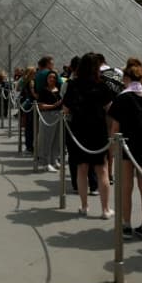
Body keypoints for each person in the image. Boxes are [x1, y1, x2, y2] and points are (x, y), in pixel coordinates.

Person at [63, 52, 114, 219]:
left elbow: (66, 109)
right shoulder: (102, 85)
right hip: (98, 130)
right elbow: (109, 109)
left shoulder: (73, 84)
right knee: (102, 170)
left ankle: (84, 206)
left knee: (82, 169)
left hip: (79, 130)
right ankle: (105, 209)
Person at [109, 57, 142, 241]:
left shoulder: (122, 98)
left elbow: (115, 128)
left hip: (125, 147)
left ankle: (126, 225)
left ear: (127, 78)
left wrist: (112, 149)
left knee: (126, 187)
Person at [62, 56, 98, 195]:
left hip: (74, 124)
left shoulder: (70, 84)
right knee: (92, 155)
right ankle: (94, 185)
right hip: (94, 125)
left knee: (74, 156)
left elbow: (65, 107)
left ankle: (77, 185)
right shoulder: (99, 84)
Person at [37, 71, 63, 172]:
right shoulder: (44, 91)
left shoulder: (59, 89)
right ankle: (46, 162)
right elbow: (40, 105)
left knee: (57, 139)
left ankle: (54, 159)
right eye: (50, 78)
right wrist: (53, 106)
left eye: (54, 78)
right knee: (47, 139)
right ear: (46, 79)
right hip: (48, 115)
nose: (52, 79)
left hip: (58, 115)